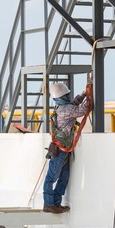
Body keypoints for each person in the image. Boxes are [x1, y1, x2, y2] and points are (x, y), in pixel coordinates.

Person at [43, 83, 92, 214]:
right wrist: (89, 95)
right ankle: (48, 204)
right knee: (52, 178)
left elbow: (74, 104)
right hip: (60, 151)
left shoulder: (61, 107)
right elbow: (83, 110)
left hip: (63, 150)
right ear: (63, 96)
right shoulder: (65, 110)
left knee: (63, 178)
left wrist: (83, 95)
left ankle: (56, 205)